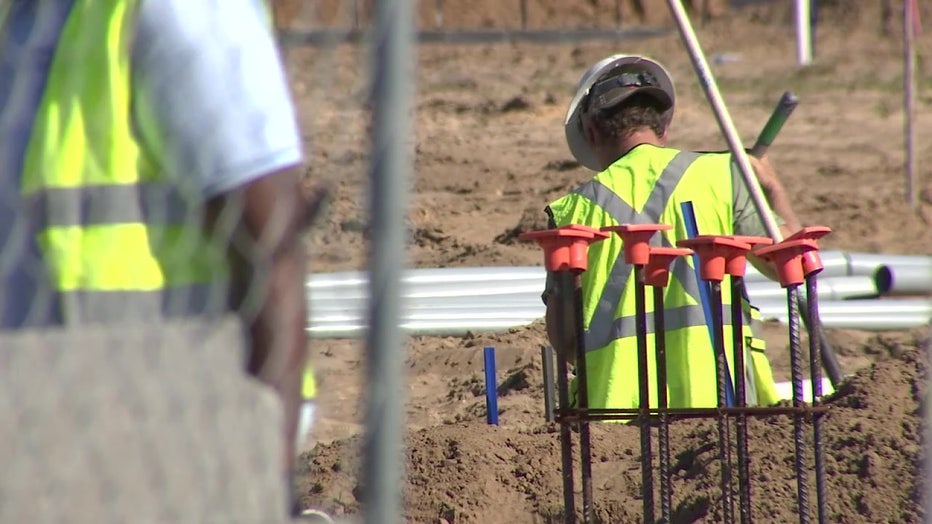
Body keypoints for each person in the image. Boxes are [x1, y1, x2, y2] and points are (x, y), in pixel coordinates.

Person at [0, 0, 326, 516]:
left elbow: (273, 245)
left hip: (169, 445)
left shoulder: (182, 10)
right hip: (45, 449)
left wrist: (268, 476)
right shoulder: (35, 20)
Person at [542, 54, 803, 411]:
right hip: (726, 402)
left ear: (590, 132)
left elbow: (564, 338)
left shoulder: (571, 210)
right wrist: (772, 188)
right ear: (663, 128)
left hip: (617, 411)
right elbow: (793, 265)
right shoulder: (723, 176)